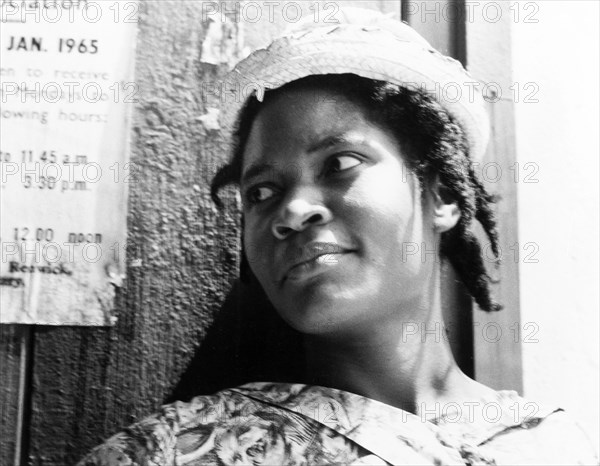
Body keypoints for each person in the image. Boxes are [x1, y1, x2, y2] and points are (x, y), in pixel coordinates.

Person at [78, 7, 598, 466]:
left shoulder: (553, 446)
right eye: (261, 192)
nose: (292, 211)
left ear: (442, 198)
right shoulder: (178, 451)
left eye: (340, 163)